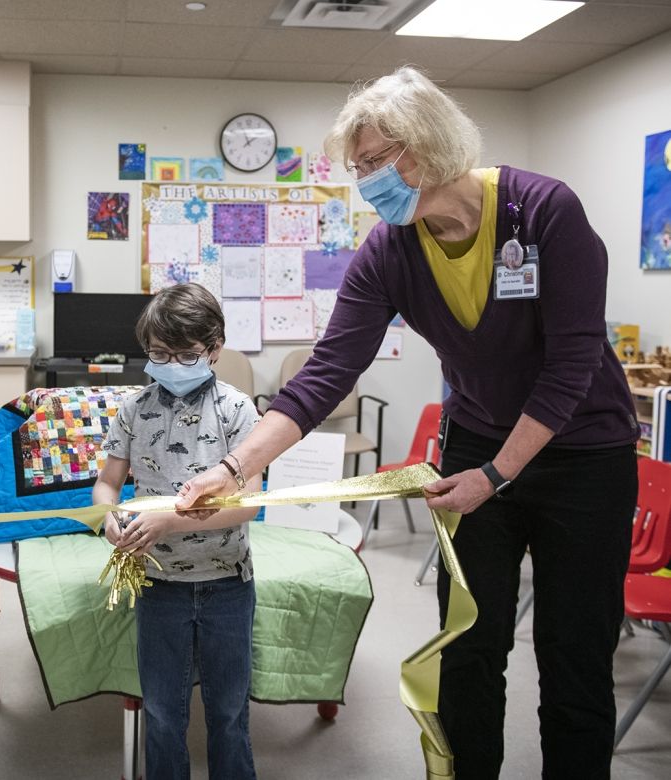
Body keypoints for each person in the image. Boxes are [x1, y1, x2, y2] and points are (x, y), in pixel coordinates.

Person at [177, 67, 638, 779]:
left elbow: (570, 368)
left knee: (574, 652)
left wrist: (498, 476)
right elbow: (326, 372)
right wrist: (234, 467)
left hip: (584, 454)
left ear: (426, 148)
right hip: (477, 446)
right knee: (470, 644)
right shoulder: (390, 251)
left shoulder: (545, 212)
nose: (363, 182)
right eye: (356, 167)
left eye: (371, 163)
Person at [92, 283, 263, 780]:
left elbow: (247, 503)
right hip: (157, 585)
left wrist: (169, 520)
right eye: (158, 354)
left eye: (185, 355)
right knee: (163, 715)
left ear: (214, 349)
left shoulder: (237, 410)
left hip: (228, 583)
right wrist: (108, 517)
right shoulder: (133, 409)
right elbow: (107, 483)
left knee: (229, 714)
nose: (170, 364)